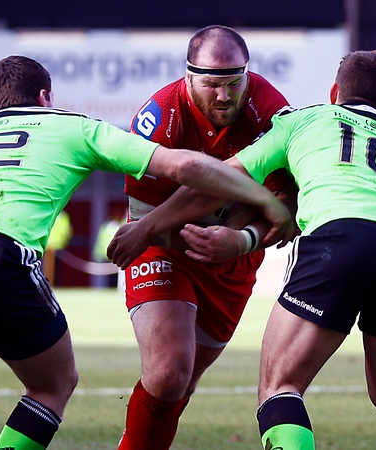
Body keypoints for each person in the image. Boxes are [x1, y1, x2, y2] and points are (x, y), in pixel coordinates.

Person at [0, 55, 294, 450]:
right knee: (52, 385)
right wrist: (270, 204)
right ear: (45, 98)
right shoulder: (71, 126)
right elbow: (185, 165)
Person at [108, 50, 376, 450]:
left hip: (338, 241)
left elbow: (221, 178)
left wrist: (148, 226)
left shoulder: (304, 119)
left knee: (280, 388)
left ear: (334, 91)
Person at [116, 25, 293, 450]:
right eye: (212, 85)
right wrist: (195, 237)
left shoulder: (271, 110)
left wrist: (241, 240)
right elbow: (144, 219)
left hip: (233, 263)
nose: (224, 96)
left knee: (183, 384)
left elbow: (287, 210)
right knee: (168, 371)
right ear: (189, 78)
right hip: (163, 247)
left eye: (234, 83)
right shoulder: (159, 116)